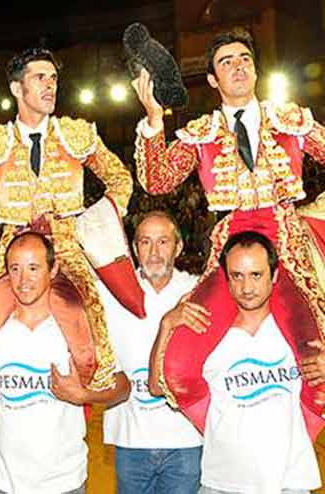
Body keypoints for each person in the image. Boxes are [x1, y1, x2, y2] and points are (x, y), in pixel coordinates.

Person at [132, 26, 325, 440]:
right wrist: (153, 119)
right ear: (212, 80)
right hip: (230, 254)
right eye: (226, 62)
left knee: (320, 369)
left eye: (244, 60)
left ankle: (289, 453)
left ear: (255, 71)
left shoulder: (288, 119)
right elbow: (157, 180)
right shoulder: (201, 133)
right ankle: (230, 443)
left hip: (287, 248)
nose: (237, 67)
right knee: (178, 368)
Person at [0, 46, 142, 392]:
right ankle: (4, 395)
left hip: (67, 256)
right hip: (15, 262)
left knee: (91, 359)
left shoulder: (75, 135)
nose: (50, 85)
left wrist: (96, 222)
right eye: (40, 78)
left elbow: (120, 179)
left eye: (53, 78)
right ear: (17, 88)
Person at [152, 231, 323, 493]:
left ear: (274, 275)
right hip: (222, 483)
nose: (247, 287)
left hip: (290, 482)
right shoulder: (205, 333)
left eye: (256, 275)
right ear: (226, 279)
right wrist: (166, 325)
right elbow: (156, 387)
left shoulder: (300, 334)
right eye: (237, 276)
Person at [0, 232, 130, 494]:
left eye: (33, 268)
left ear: (53, 270)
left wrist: (82, 394)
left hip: (60, 481)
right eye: (15, 269)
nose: (23, 280)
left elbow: (122, 386)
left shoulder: (78, 325)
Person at [99, 211, 202, 494]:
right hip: (131, 440)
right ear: (134, 249)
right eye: (145, 242)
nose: (154, 252)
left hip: (186, 438)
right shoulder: (109, 292)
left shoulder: (197, 292)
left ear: (178, 247)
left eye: (163, 242)